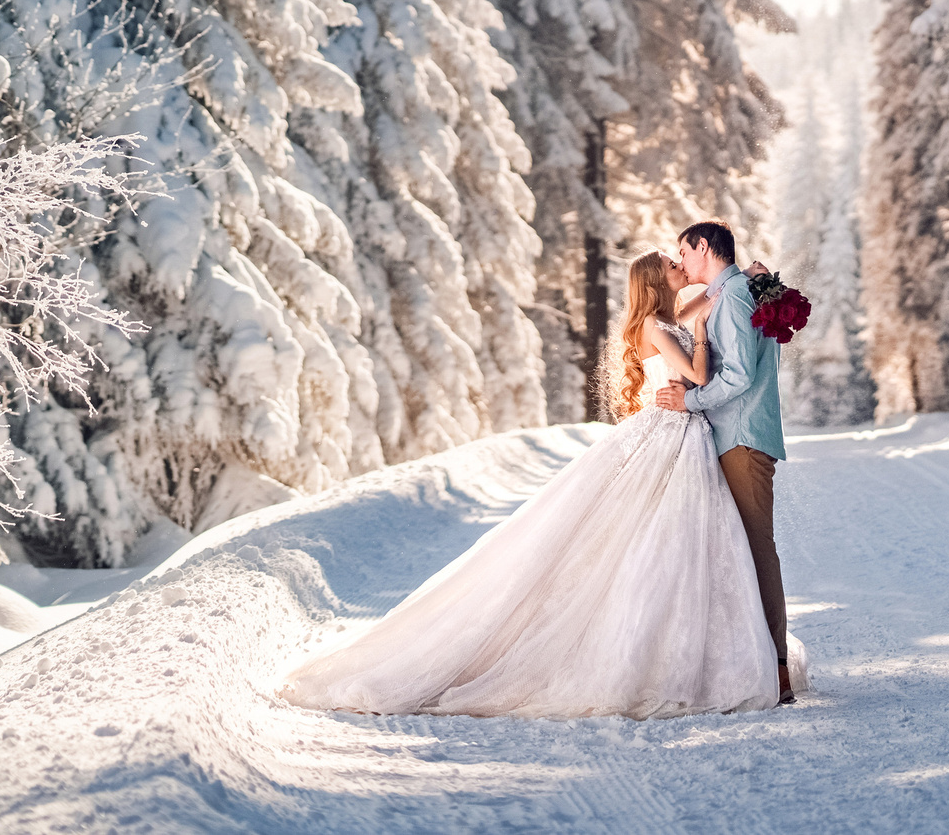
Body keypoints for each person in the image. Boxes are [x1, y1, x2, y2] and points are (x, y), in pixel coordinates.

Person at [276, 250, 780, 719]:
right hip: (673, 426)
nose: (679, 265)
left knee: (679, 540)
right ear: (655, 279)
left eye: (680, 259)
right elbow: (697, 364)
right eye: (672, 263)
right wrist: (708, 333)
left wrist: (752, 283)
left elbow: (713, 294)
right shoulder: (657, 324)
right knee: (646, 534)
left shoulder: (670, 314)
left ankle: (688, 649)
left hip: (685, 432)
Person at [653, 219, 796, 705]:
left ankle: (776, 670)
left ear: (704, 246)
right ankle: (746, 662)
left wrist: (687, 402)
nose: (682, 261)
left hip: (742, 436)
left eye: (684, 251)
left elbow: (736, 376)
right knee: (735, 550)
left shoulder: (734, 295)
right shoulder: (735, 289)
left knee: (757, 548)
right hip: (732, 434)